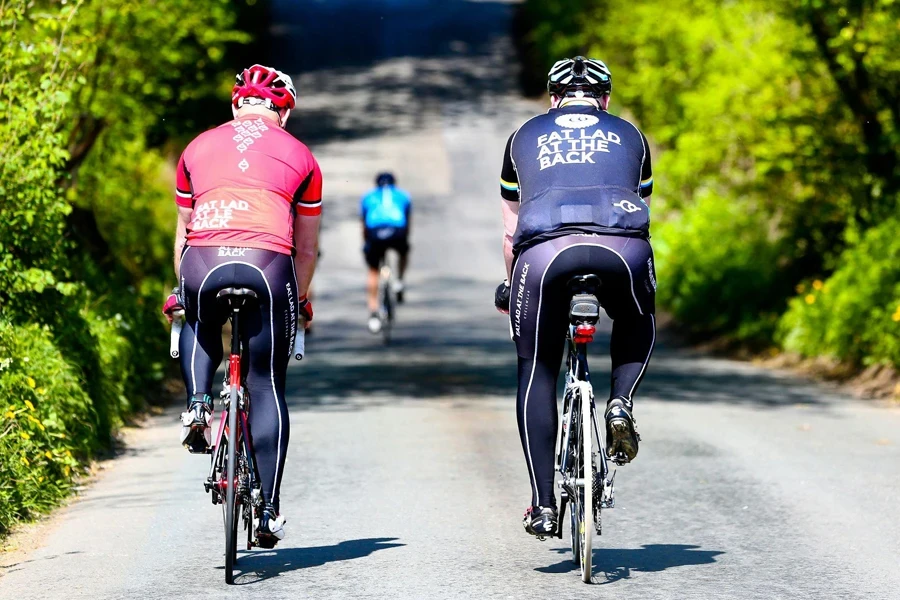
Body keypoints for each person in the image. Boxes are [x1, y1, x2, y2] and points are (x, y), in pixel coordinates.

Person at [494, 57, 656, 538]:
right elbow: (642, 204)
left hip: (546, 253)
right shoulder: (632, 134)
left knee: (537, 367)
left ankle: (543, 505)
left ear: (552, 98)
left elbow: (509, 229)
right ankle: (620, 402)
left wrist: (512, 289)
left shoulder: (523, 135)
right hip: (621, 246)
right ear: (605, 99)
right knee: (638, 315)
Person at [161, 64, 321, 548]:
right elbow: (307, 250)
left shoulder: (196, 146)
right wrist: (303, 300)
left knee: (198, 316)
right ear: (284, 111)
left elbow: (183, 233)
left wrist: (181, 289)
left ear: (236, 105)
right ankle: (269, 510)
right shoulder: (302, 156)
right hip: (268, 266)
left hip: (203, 261)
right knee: (267, 384)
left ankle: (196, 405)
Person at [360, 172, 412, 333]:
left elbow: (364, 225)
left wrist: (366, 243)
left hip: (375, 232)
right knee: (403, 252)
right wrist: (404, 242)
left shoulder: (368, 196)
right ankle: (399, 281)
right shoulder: (403, 195)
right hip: (397, 231)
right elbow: (407, 221)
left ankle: (374, 314)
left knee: (373, 270)